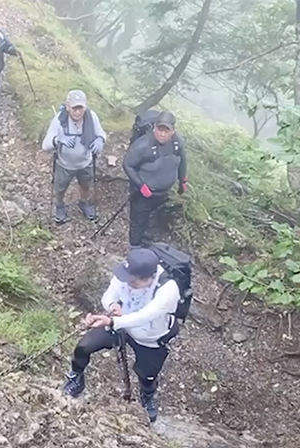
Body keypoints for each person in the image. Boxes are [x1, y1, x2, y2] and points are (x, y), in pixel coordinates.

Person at [63, 248, 181, 423]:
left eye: (133, 282)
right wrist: (112, 306)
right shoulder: (126, 273)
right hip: (120, 323)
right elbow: (109, 295)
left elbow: (145, 316)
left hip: (149, 336)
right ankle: (76, 376)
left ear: (148, 278)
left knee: (147, 374)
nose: (128, 283)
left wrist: (112, 322)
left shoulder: (168, 290)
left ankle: (147, 396)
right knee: (84, 347)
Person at [122, 110, 188, 247]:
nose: (163, 134)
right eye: (160, 130)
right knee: (138, 223)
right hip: (143, 194)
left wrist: (182, 181)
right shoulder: (142, 145)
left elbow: (182, 161)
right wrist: (140, 186)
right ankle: (134, 250)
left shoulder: (177, 143)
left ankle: (147, 247)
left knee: (153, 222)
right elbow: (128, 165)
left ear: (173, 131)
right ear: (154, 128)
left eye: (167, 131)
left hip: (164, 193)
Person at [41, 90, 106, 224]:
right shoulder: (59, 120)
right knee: (60, 187)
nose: (77, 112)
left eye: (80, 108)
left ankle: (83, 203)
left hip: (85, 162)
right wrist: (58, 139)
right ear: (67, 107)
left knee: (85, 185)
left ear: (85, 107)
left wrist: (100, 139)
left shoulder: (91, 117)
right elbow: (45, 145)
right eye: (74, 108)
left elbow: (101, 133)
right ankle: (59, 205)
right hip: (64, 164)